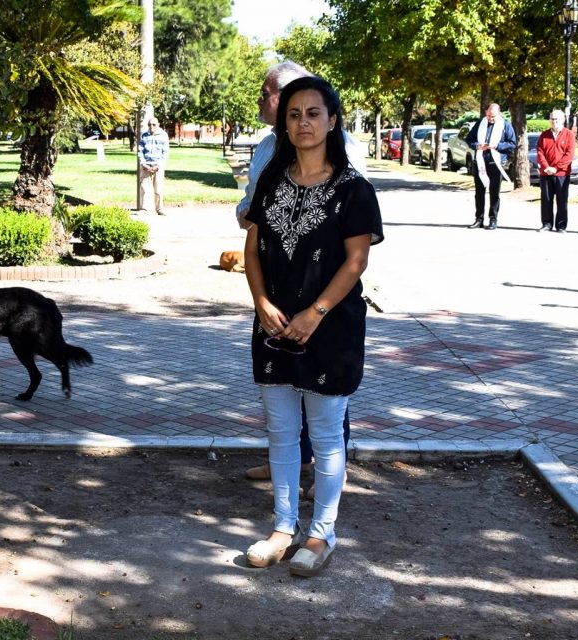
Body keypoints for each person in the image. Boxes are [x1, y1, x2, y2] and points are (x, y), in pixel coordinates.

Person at [241, 75, 383, 577]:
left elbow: (355, 262)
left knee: (325, 435)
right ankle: (282, 528)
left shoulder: (354, 190)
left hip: (330, 326)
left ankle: (322, 535)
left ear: (333, 120)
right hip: (274, 325)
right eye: (294, 114)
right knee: (280, 433)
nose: (303, 122)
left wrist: (314, 312)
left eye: (314, 113)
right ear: (285, 121)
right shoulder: (272, 183)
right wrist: (260, 301)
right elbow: (252, 248)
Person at [236, 60, 355, 486]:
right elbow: (252, 214)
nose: (261, 101)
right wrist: (262, 298)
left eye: (266, 92)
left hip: (324, 295)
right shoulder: (269, 153)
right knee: (283, 401)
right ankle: (289, 471)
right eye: (292, 112)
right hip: (277, 289)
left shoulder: (345, 161)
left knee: (325, 401)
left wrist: (321, 307)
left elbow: (352, 244)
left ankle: (326, 485)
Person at [463, 103, 517, 230]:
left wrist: (497, 146)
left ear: (498, 113)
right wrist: (477, 145)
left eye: (493, 116)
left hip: (496, 162)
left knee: (494, 193)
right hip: (480, 161)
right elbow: (469, 139)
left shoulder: (505, 125)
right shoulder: (480, 123)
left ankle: (493, 219)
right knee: (479, 192)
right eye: (488, 116)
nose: (490, 119)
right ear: (486, 112)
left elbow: (512, 143)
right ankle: (479, 219)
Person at [537, 109, 575, 233]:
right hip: (546, 173)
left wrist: (556, 168)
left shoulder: (569, 135)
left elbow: (569, 154)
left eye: (557, 119)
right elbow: (540, 152)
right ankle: (547, 224)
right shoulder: (544, 135)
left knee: (562, 199)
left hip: (562, 174)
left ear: (563, 120)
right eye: (552, 119)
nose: (554, 121)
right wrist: (546, 166)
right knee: (546, 199)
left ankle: (561, 226)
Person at [137, 117, 170, 215]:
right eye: (149, 124)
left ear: (158, 124)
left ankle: (159, 209)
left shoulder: (164, 135)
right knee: (144, 188)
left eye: (154, 124)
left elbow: (165, 152)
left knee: (158, 189)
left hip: (158, 166)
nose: (151, 126)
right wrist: (144, 164)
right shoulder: (144, 135)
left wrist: (157, 166)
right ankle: (143, 209)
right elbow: (140, 151)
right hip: (146, 166)